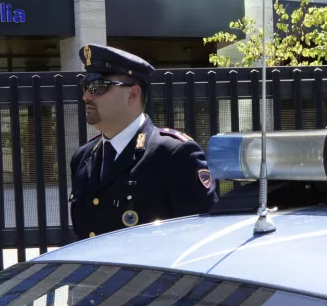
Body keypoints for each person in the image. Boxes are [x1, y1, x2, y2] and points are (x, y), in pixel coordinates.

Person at [68, 44, 219, 239]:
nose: (86, 96)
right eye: (86, 87)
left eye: (98, 86)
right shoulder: (83, 157)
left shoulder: (173, 153)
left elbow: (202, 236)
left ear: (132, 94)